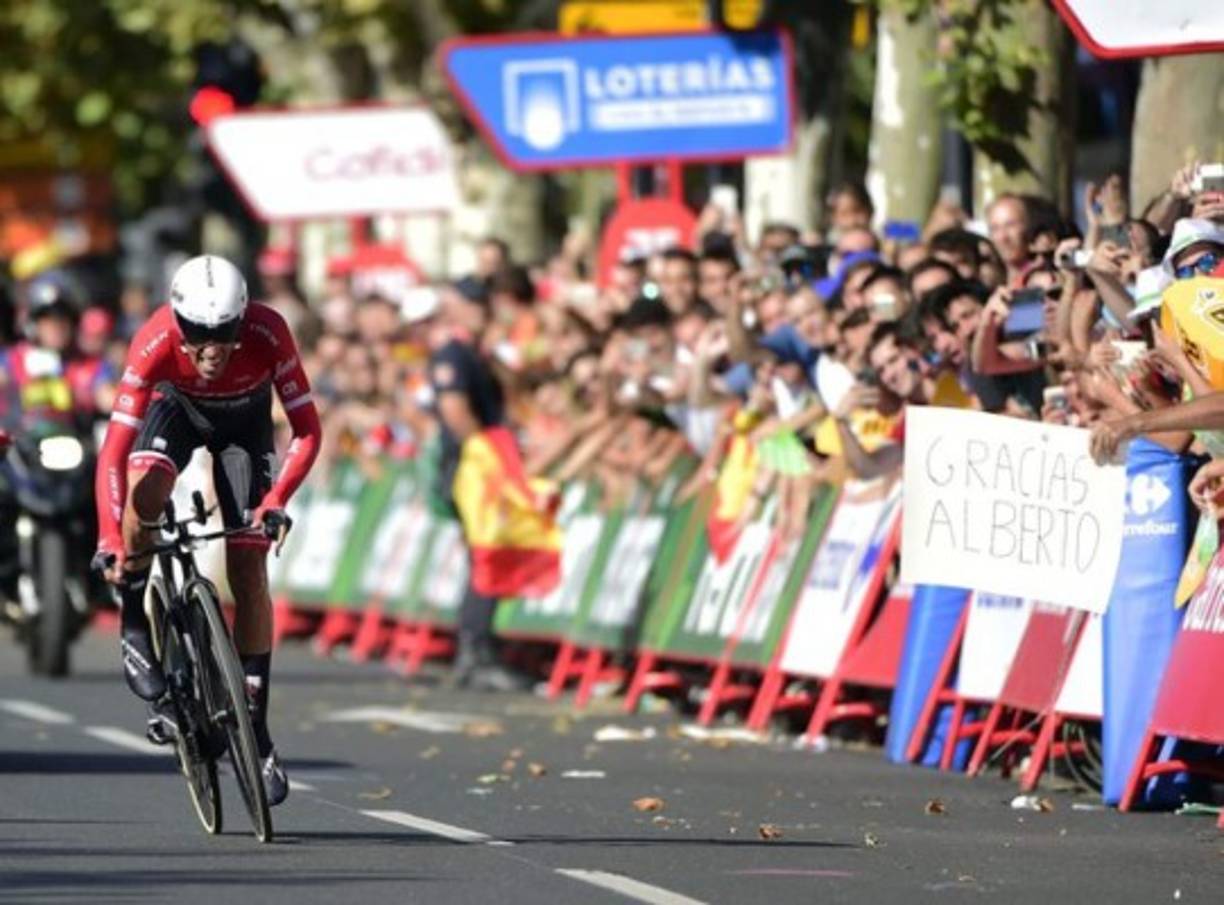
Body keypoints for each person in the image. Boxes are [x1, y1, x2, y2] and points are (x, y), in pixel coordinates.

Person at [93, 255, 321, 806]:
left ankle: (259, 736)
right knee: (146, 488)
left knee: (249, 568)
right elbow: (114, 454)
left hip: (244, 424)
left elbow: (307, 429)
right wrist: (110, 537)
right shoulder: (152, 341)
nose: (212, 348)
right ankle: (134, 619)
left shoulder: (269, 332)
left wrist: (275, 499)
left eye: (224, 333)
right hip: (175, 410)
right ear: (178, 323)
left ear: (243, 320)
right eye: (198, 334)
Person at [428, 278, 529, 692]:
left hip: (480, 462)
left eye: (484, 303)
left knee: (485, 555)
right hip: (473, 465)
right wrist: (490, 456)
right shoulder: (453, 354)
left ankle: (477, 647)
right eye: (472, 303)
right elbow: (456, 411)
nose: (481, 310)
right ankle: (475, 651)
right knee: (486, 555)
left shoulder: (479, 353)